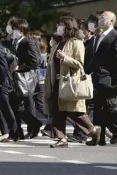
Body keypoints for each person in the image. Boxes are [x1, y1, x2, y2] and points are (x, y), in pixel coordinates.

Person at [44, 16, 101, 148]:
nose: (59, 27)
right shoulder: (58, 43)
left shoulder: (77, 43)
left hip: (70, 82)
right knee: (57, 110)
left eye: (62, 25)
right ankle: (61, 138)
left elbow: (80, 64)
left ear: (68, 27)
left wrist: (65, 58)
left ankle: (93, 130)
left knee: (75, 112)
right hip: (56, 82)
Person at [87, 11, 117, 146]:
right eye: (100, 17)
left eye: (103, 18)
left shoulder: (116, 37)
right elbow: (96, 58)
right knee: (100, 108)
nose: (100, 20)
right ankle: (101, 137)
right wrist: (86, 72)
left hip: (108, 77)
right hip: (97, 76)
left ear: (111, 21)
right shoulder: (98, 36)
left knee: (107, 108)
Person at [10, 18, 42, 140]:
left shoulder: (29, 41)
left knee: (26, 104)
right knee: (16, 105)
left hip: (26, 77)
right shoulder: (15, 42)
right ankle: (22, 129)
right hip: (17, 77)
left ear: (22, 29)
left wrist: (20, 67)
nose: (14, 31)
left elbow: (35, 61)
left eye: (16, 29)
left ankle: (32, 126)